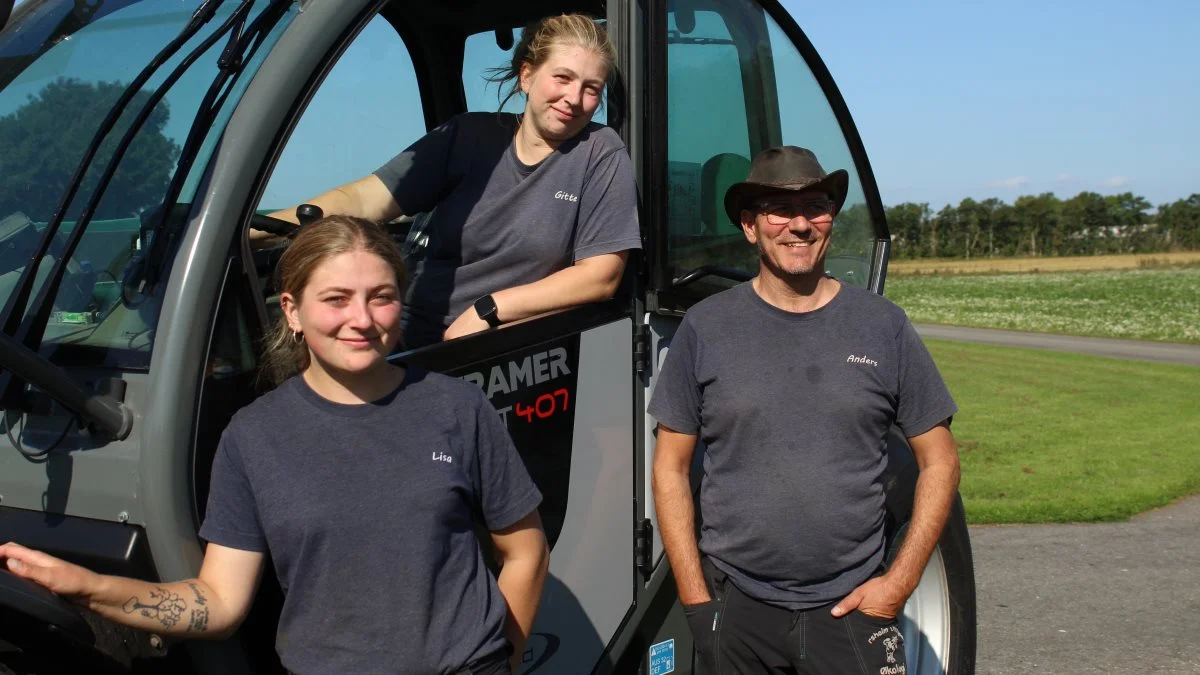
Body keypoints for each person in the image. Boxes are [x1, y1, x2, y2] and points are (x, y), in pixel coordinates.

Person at [2, 216, 550, 675]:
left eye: (381, 298)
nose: (361, 320)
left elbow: (525, 552)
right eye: (337, 299)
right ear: (291, 311)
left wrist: (505, 663)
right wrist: (93, 587)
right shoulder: (253, 437)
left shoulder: (456, 407)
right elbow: (218, 602)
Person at [649, 146, 961, 673]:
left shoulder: (882, 326)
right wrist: (699, 604)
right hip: (738, 609)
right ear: (750, 226)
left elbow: (941, 462)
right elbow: (669, 468)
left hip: (853, 607)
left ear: (832, 221)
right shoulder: (707, 328)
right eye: (779, 210)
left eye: (816, 207)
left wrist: (898, 585)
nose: (799, 225)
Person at [260, 14, 641, 348]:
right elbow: (363, 200)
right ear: (527, 76)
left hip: (496, 340)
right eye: (563, 78)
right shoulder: (469, 135)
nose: (574, 98)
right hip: (402, 327)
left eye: (591, 89)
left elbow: (600, 277)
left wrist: (489, 310)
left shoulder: (599, 151)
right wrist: (251, 230)